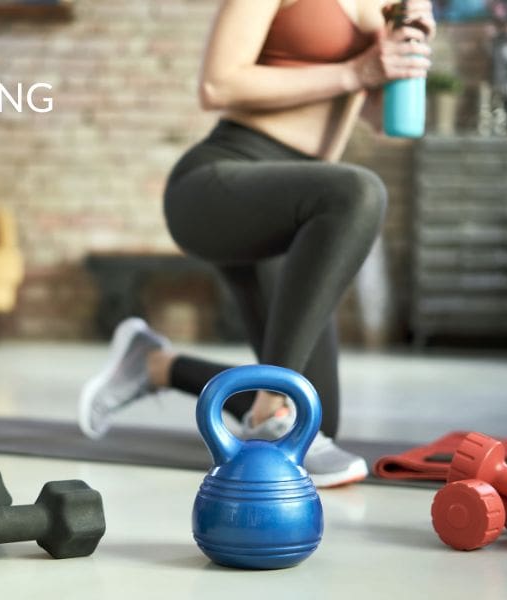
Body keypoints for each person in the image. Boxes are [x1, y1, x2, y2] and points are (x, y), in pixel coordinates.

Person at [79, 0, 435, 488]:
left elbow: (379, 119)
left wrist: (405, 56)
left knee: (316, 421)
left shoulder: (385, 5)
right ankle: (268, 404)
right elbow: (217, 85)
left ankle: (157, 365)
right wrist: (355, 70)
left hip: (298, 204)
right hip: (222, 180)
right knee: (359, 192)